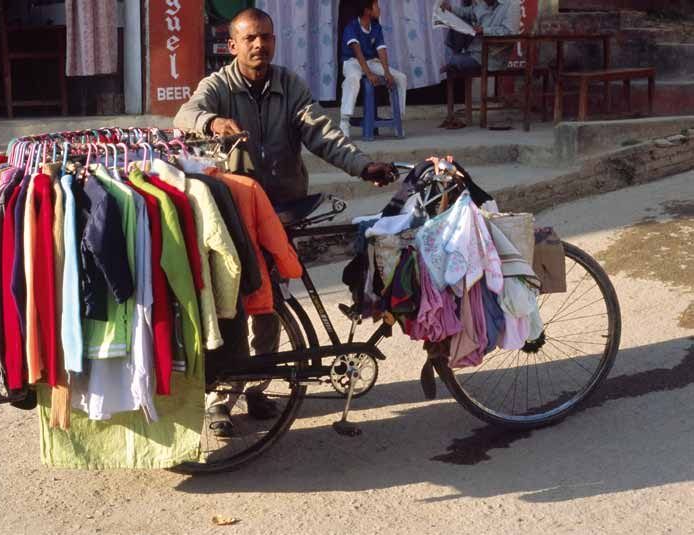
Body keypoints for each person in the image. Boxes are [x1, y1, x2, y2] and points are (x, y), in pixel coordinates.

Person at [174, 8, 397, 436]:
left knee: (272, 301)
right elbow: (186, 115)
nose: (260, 45)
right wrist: (211, 122)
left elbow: (323, 134)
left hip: (282, 208)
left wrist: (363, 166)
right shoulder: (217, 86)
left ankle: (260, 384)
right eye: (251, 39)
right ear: (233, 45)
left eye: (267, 38)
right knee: (232, 302)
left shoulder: (289, 86)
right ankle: (222, 398)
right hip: (236, 215)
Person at [339, 0, 409, 138]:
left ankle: (397, 119)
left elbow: (381, 50)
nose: (379, 9)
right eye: (376, 6)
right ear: (367, 10)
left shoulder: (376, 27)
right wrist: (369, 74)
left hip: (370, 61)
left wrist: (387, 72)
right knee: (353, 79)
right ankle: (344, 121)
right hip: (352, 61)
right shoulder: (351, 27)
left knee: (401, 78)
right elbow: (358, 53)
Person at [440, 0, 521, 74]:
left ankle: (454, 61)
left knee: (452, 61)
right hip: (475, 50)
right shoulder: (483, 3)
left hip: (490, 58)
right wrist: (451, 8)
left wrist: (484, 31)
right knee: (457, 21)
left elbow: (510, 32)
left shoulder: (512, 4)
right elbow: (469, 12)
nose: (484, 2)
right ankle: (455, 58)